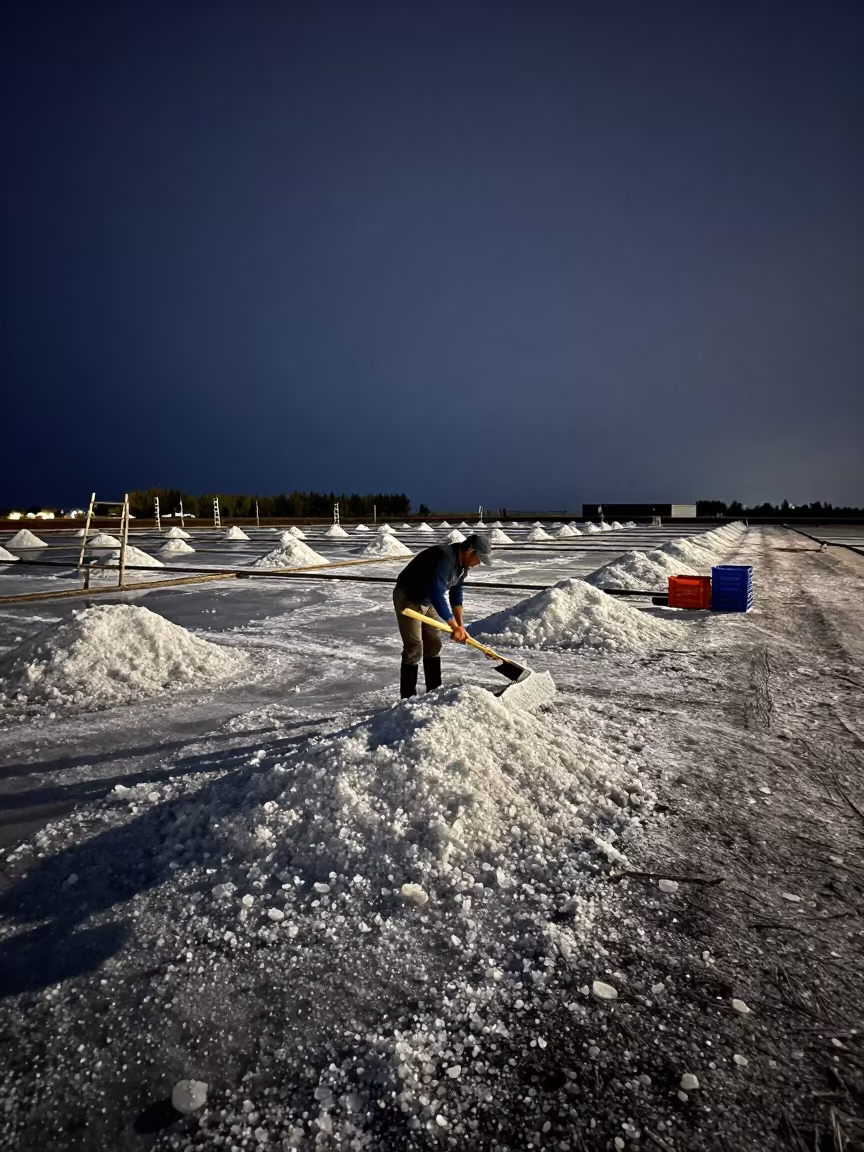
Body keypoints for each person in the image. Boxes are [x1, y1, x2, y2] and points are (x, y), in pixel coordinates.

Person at [393, 533, 492, 698]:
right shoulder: (443, 558)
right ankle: (407, 698)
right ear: (469, 551)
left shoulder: (462, 567)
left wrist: (460, 626)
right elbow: (436, 594)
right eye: (479, 558)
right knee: (414, 647)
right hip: (408, 598)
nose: (478, 563)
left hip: (426, 601)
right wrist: (453, 626)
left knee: (434, 642)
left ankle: (433, 692)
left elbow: (456, 595)